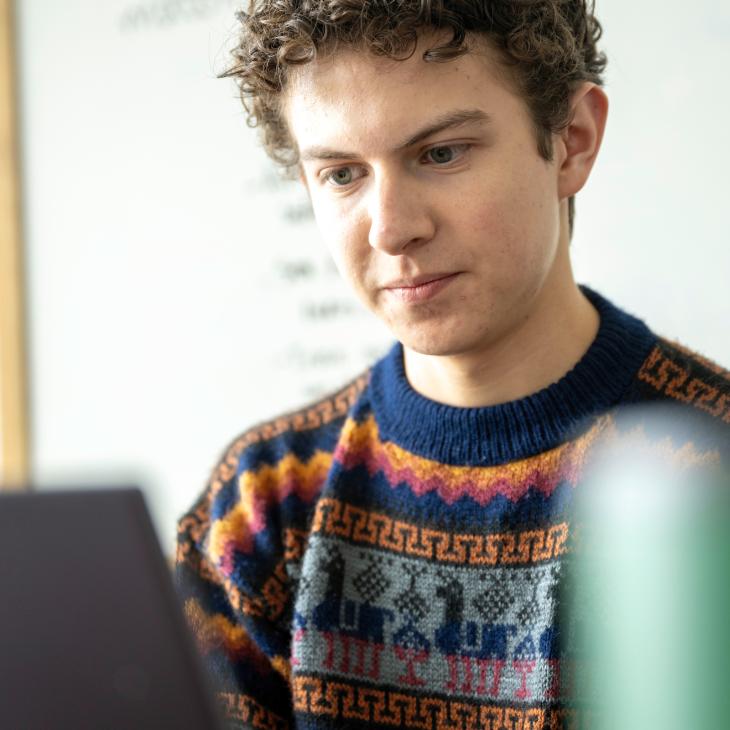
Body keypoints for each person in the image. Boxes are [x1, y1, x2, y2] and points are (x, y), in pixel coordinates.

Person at [175, 1, 730, 727]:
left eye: (441, 153)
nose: (393, 228)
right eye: (343, 175)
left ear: (572, 140)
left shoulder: (708, 482)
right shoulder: (263, 508)